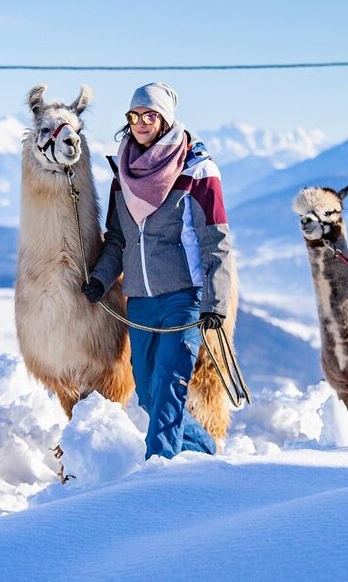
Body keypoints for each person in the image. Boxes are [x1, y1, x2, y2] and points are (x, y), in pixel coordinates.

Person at [81, 82, 233, 460]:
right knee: (149, 395)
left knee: (168, 388)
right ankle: (203, 451)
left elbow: (217, 242)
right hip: (141, 303)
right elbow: (117, 238)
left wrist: (215, 303)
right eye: (134, 116)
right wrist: (100, 278)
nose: (141, 123)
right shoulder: (124, 175)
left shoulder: (198, 170)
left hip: (184, 300)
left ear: (165, 119)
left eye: (150, 115)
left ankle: (158, 482)